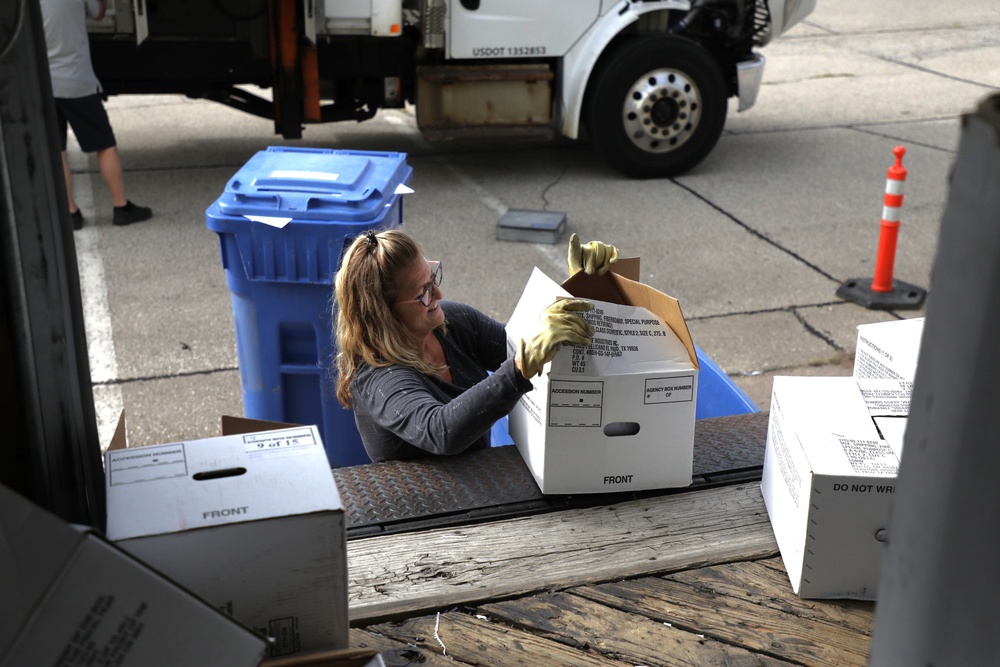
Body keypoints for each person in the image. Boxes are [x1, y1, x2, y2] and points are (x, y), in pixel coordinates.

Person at [334, 231, 619, 463]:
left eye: (433, 277)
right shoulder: (379, 376)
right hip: (420, 516)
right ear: (383, 314)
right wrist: (521, 367)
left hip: (478, 484)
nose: (439, 294)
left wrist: (581, 287)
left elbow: (534, 346)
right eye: (423, 292)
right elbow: (439, 431)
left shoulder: (454, 322)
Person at [39, 0, 152, 230]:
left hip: (43, 82)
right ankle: (121, 207)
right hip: (77, 81)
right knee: (104, 144)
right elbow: (99, 13)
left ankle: (70, 212)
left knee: (56, 150)